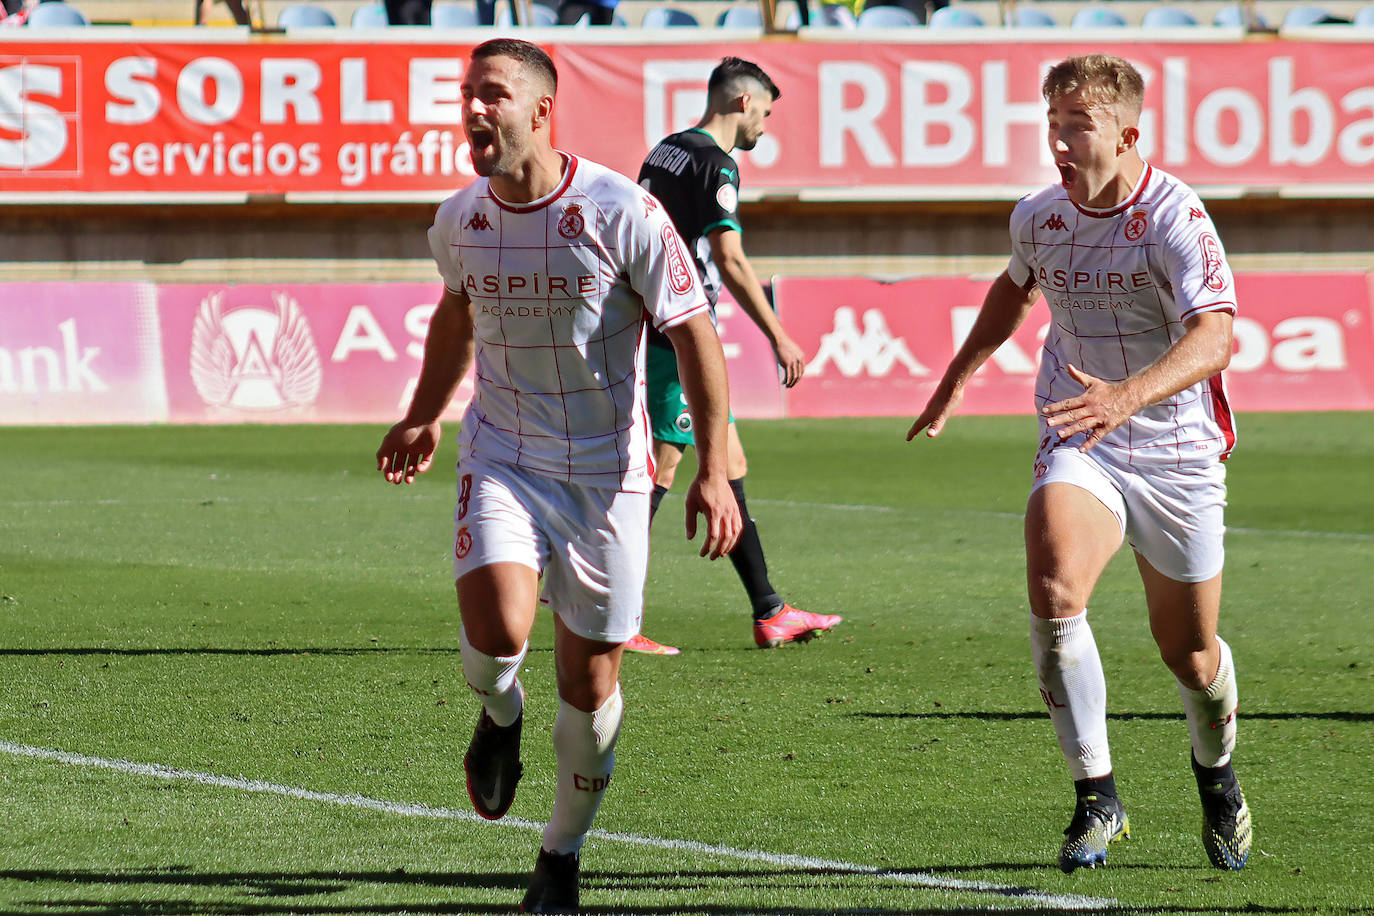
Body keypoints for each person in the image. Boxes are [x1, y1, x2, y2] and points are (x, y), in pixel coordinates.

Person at [376, 38, 742, 914]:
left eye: (491, 95)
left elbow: (691, 332)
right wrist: (425, 412)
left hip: (607, 476)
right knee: (499, 636)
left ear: (540, 110)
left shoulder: (625, 211)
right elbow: (454, 319)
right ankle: (499, 716)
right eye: (467, 94)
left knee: (589, 686)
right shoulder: (459, 217)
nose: (473, 109)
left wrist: (715, 462)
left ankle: (560, 858)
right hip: (502, 452)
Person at [907, 54, 1251, 874]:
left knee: (1191, 655)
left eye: (1078, 125)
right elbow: (1014, 288)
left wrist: (1127, 395)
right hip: (1080, 433)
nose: (1059, 142)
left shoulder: (1176, 217)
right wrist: (958, 376)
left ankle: (1218, 778)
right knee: (1056, 582)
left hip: (1175, 451)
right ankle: (1096, 795)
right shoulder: (1037, 215)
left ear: (1128, 132)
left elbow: (1216, 336)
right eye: (1051, 123)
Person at [633, 56, 841, 655]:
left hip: (658, 322)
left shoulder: (666, 149)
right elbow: (730, 260)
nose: (766, 128)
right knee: (662, 467)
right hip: (679, 334)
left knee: (730, 462)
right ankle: (608, 610)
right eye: (766, 113)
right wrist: (778, 333)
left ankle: (770, 610)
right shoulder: (716, 163)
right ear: (741, 102)